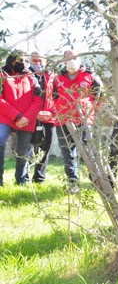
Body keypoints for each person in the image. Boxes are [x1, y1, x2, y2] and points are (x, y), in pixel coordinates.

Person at [52, 49, 103, 192]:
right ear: (63, 61)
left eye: (74, 57)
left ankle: (96, 182)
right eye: (67, 57)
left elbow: (99, 95)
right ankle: (73, 183)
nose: (71, 59)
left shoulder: (90, 76)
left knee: (88, 152)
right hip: (63, 121)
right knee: (68, 153)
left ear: (79, 58)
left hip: (84, 120)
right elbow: (54, 97)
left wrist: (91, 112)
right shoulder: (58, 79)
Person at [0, 51, 43, 186]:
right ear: (12, 60)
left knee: (22, 152)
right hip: (5, 117)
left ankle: (21, 181)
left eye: (25, 60)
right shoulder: (2, 75)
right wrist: (16, 116)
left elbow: (38, 100)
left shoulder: (31, 77)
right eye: (20, 60)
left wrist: (26, 117)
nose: (23, 63)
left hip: (26, 119)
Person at [29, 52, 57, 183]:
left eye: (40, 61)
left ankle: (39, 178)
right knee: (29, 147)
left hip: (48, 117)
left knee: (45, 146)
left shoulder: (53, 77)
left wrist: (52, 112)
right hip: (30, 117)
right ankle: (24, 177)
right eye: (34, 61)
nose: (38, 64)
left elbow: (60, 98)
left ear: (46, 62)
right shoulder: (26, 75)